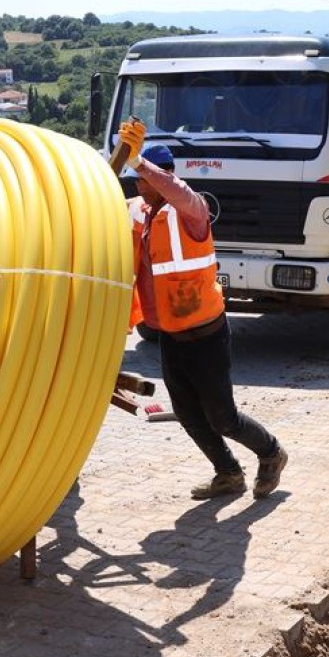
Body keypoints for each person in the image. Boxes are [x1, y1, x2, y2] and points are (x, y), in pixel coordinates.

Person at [117, 120, 288, 500]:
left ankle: (272, 452)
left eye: (144, 178)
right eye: (137, 179)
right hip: (172, 336)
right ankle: (228, 473)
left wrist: (140, 161)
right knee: (189, 415)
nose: (139, 185)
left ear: (163, 175)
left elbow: (175, 192)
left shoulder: (191, 210)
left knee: (222, 417)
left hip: (206, 333)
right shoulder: (138, 214)